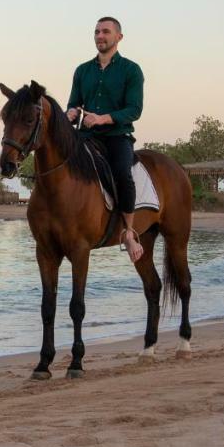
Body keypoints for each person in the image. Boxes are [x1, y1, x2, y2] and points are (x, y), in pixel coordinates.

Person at [66, 16, 145, 263]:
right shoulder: (82, 70)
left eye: (106, 32)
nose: (100, 36)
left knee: (122, 173)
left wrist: (102, 119)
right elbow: (74, 102)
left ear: (118, 37)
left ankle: (128, 232)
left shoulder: (131, 70)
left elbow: (134, 110)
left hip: (116, 136)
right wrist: (71, 112)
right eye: (97, 32)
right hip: (85, 136)